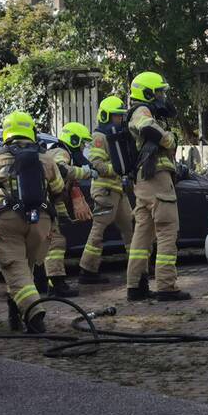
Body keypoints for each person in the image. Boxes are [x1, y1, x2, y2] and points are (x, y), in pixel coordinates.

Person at [0, 111, 67, 334]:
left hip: (8, 221)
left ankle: (35, 314)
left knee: (15, 268)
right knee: (28, 270)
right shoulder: (46, 158)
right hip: (40, 221)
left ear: (7, 132)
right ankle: (15, 311)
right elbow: (59, 190)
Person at [125, 71, 190, 302]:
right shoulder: (142, 111)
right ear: (148, 92)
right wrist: (168, 139)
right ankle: (166, 286)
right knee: (167, 229)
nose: (162, 95)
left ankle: (136, 286)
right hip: (156, 178)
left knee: (142, 234)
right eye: (159, 91)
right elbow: (147, 128)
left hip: (144, 181)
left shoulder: (138, 110)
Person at [78, 96, 135, 284]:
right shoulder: (100, 137)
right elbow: (96, 164)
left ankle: (138, 269)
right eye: (116, 116)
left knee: (130, 229)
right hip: (105, 191)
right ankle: (87, 270)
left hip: (118, 192)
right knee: (98, 229)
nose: (120, 119)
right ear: (106, 116)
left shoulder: (117, 137)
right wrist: (117, 169)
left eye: (121, 116)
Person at [43, 122, 96, 296]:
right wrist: (86, 172)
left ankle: (42, 283)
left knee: (45, 244)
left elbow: (57, 190)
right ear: (73, 140)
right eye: (81, 143)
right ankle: (57, 285)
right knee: (56, 243)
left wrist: (64, 216)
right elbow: (62, 170)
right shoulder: (62, 153)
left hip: (45, 204)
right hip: (44, 205)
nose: (82, 148)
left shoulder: (53, 151)